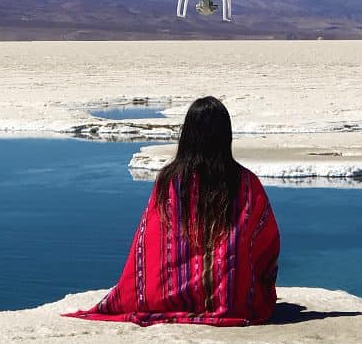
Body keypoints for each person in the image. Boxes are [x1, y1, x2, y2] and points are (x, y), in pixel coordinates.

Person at [64, 96, 280, 326]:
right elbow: (267, 241)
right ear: (225, 135)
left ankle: (180, 294)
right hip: (232, 300)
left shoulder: (170, 180)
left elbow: (148, 244)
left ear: (188, 134)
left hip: (164, 297)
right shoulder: (245, 183)